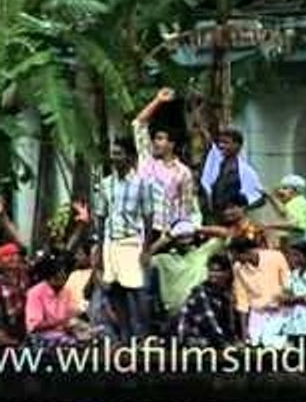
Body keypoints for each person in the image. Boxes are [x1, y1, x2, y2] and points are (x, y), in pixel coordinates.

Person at [93, 137, 154, 341]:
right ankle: (125, 336)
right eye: (113, 154)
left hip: (132, 242)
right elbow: (101, 217)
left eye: (118, 154)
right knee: (115, 290)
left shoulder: (142, 184)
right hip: (112, 242)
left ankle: (143, 335)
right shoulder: (105, 184)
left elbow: (148, 217)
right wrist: (100, 250)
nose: (114, 158)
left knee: (138, 292)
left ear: (129, 157)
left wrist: (146, 248)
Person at [132, 87, 199, 231]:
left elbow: (185, 208)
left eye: (161, 139)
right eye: (155, 138)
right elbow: (138, 124)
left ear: (172, 143)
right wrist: (158, 100)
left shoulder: (183, 172)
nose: (156, 143)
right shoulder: (146, 159)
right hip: (139, 228)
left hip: (165, 231)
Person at [147, 220, 227, 326]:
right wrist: (168, 237)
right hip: (177, 310)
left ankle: (217, 335)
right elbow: (143, 259)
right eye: (181, 238)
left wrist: (196, 228)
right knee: (198, 294)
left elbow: (226, 234)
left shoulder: (201, 253)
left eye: (187, 237)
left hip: (202, 305)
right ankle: (217, 335)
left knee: (200, 292)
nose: (185, 241)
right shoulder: (164, 259)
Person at [262, 174, 306, 273]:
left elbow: (297, 226)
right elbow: (283, 213)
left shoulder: (295, 204)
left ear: (294, 191)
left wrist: (270, 226)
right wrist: (271, 199)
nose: (280, 191)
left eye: (285, 188)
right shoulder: (304, 203)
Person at [228, 236, 289, 347]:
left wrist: (282, 301)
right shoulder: (238, 268)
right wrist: (244, 332)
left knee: (276, 346)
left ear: (247, 252)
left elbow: (288, 284)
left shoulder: (276, 257)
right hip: (257, 314)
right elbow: (242, 300)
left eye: (237, 256)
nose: (235, 259)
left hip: (280, 312)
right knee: (255, 345)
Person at [176, 253, 239, 348]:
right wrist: (228, 343)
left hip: (210, 338)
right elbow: (212, 323)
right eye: (211, 271)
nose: (213, 274)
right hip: (191, 340)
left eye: (217, 271)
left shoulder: (224, 294)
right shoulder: (202, 293)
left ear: (227, 273)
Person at [25, 251, 87, 346]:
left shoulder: (65, 291)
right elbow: (35, 325)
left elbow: (70, 315)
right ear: (49, 278)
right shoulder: (35, 293)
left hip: (62, 333)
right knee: (70, 343)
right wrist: (61, 321)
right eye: (58, 278)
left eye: (63, 278)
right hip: (41, 336)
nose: (62, 281)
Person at [200, 128, 265, 216]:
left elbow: (260, 198)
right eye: (220, 142)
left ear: (237, 146)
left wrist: (242, 209)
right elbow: (206, 185)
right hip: (214, 217)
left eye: (226, 142)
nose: (221, 145)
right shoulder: (215, 165)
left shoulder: (246, 171)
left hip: (234, 221)